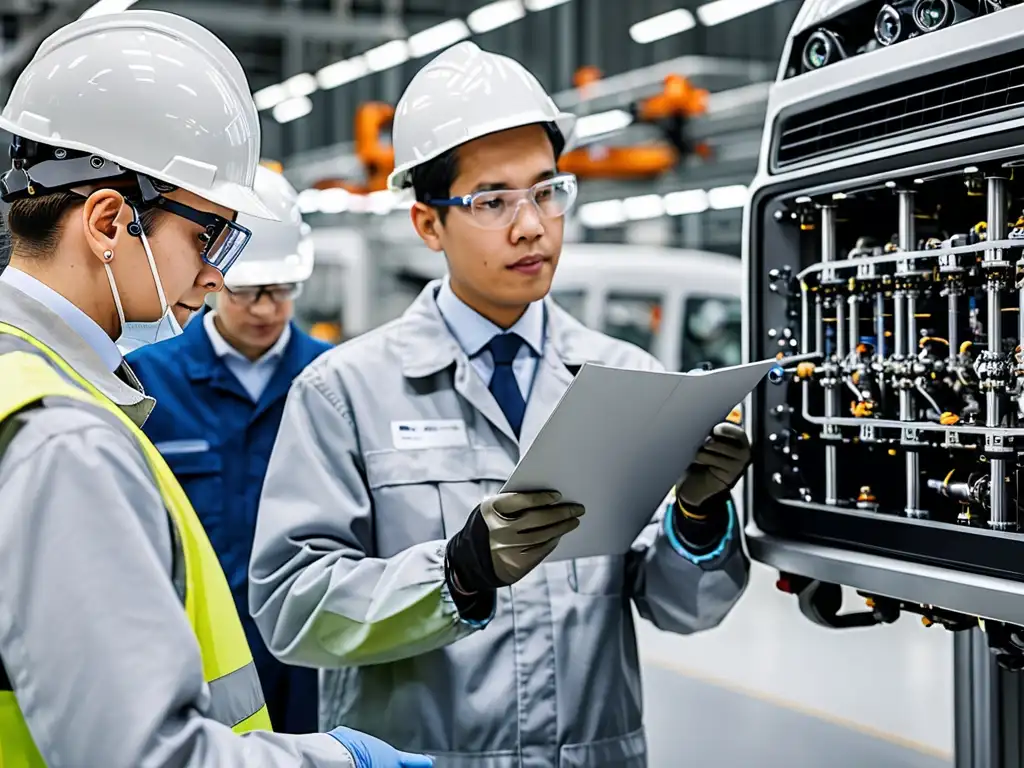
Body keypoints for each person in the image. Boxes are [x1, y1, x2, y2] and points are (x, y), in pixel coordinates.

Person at [250, 41, 751, 767]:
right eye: (493, 201)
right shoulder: (345, 392)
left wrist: (697, 520)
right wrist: (454, 575)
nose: (532, 226)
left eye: (548, 191)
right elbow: (292, 610)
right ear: (428, 224)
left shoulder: (624, 375)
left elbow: (683, 608)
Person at [0, 11, 431, 768]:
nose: (218, 276)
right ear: (109, 220)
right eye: (208, 238)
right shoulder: (65, 439)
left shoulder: (26, 377)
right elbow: (144, 756)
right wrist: (338, 763)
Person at [127, 165, 331, 735]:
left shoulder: (334, 379)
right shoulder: (147, 381)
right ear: (216, 280)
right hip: (197, 649)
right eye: (249, 291)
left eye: (282, 290)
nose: (266, 309)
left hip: (309, 649)